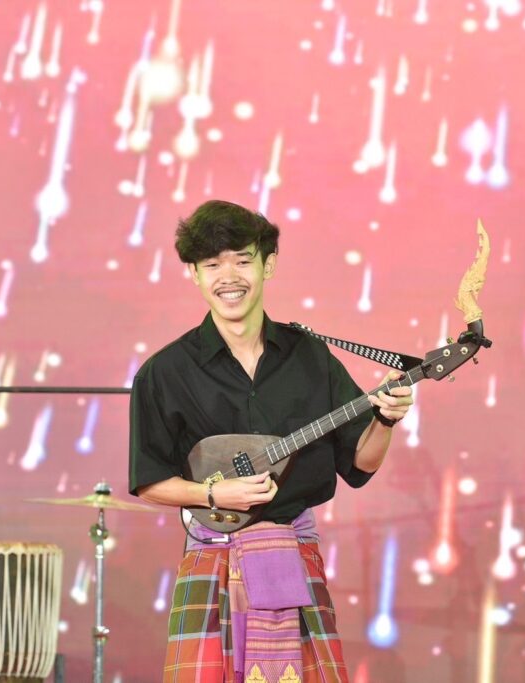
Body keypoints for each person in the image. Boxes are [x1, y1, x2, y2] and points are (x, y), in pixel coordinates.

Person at [130, 200, 413, 683]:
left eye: (242, 260)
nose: (229, 276)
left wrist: (385, 420)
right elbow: (149, 481)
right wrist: (213, 494)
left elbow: (361, 464)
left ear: (269, 264)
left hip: (294, 553)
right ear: (195, 274)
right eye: (212, 264)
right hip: (214, 556)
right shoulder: (164, 371)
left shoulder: (311, 356)